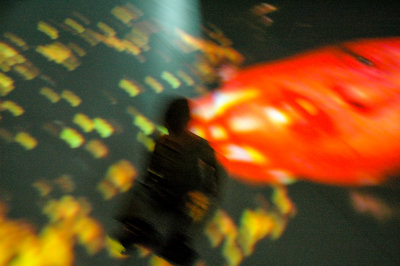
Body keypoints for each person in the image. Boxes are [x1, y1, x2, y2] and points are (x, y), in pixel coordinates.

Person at [117, 97, 222, 265]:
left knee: (196, 207)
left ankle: (179, 240)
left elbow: (215, 168)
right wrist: (148, 187)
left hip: (186, 196)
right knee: (140, 191)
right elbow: (151, 172)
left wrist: (208, 189)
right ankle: (139, 227)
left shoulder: (199, 145)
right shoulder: (162, 143)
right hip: (165, 191)